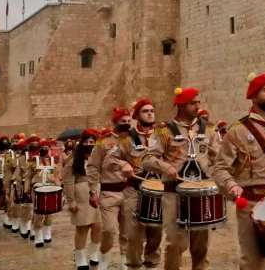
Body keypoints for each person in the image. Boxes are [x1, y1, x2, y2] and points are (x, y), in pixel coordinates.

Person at [214, 73, 265, 270]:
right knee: (253, 262)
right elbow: (220, 168)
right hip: (251, 204)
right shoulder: (237, 131)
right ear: (253, 96)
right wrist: (232, 186)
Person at [143, 87, 220, 270]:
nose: (197, 106)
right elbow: (147, 159)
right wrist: (166, 167)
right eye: (193, 103)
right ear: (181, 106)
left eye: (198, 102)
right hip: (174, 193)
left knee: (201, 246)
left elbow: (218, 159)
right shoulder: (164, 131)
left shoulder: (208, 129)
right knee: (175, 243)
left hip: (201, 194)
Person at [110, 98, 163, 269]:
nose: (150, 113)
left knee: (156, 233)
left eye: (152, 110)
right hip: (134, 189)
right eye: (145, 111)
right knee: (134, 235)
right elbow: (111, 158)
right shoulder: (126, 138)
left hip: (158, 189)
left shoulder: (163, 135)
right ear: (137, 115)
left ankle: (152, 263)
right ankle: (133, 265)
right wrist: (123, 163)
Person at [87, 107, 133, 270]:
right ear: (115, 122)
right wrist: (93, 190)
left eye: (129, 121)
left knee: (127, 231)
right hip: (109, 192)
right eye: (123, 121)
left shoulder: (134, 140)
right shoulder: (103, 141)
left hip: (130, 192)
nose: (127, 124)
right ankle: (104, 256)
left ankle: (124, 260)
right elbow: (93, 167)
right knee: (108, 229)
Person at [64, 129, 103, 270]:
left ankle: (93, 252)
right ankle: (80, 256)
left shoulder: (99, 156)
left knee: (98, 226)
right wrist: (71, 200)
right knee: (82, 228)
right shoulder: (74, 159)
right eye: (86, 142)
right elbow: (68, 181)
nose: (89, 144)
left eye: (92, 142)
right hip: (80, 195)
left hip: (97, 193)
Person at [25, 139, 60, 247]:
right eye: (42, 147)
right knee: (38, 212)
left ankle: (47, 229)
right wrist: (26, 187)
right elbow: (28, 176)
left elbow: (56, 175)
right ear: (39, 149)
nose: (45, 149)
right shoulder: (33, 160)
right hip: (37, 187)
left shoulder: (53, 161)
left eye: (47, 147)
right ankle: (38, 234)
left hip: (50, 187)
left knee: (50, 212)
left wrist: (58, 187)